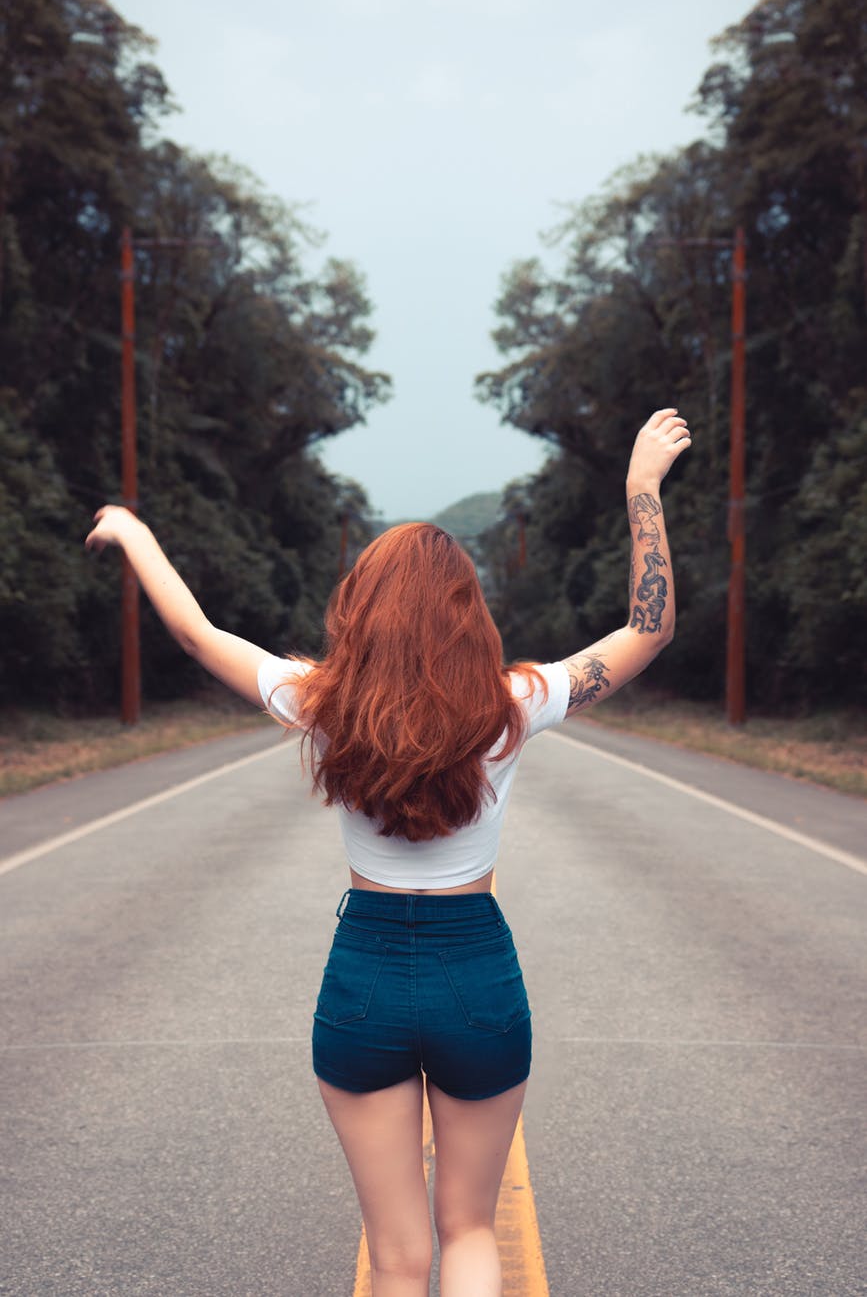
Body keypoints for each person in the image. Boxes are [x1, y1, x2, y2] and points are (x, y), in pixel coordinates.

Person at [85, 407, 690, 1296]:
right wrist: (642, 490)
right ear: (465, 612)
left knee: (399, 1258)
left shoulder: (318, 700)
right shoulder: (514, 702)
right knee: (472, 1230)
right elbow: (648, 631)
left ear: (359, 610)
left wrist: (135, 534)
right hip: (476, 972)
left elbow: (194, 633)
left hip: (362, 974)